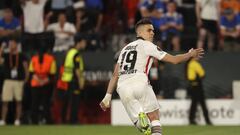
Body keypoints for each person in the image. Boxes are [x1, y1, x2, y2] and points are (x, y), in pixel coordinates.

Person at [100, 18, 204, 135]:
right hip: (140, 82)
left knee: (142, 127)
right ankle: (143, 120)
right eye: (149, 30)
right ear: (139, 33)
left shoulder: (124, 49)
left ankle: (141, 120)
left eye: (153, 30)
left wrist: (107, 96)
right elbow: (174, 60)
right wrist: (190, 54)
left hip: (123, 88)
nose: (152, 33)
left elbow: (115, 75)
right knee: (154, 116)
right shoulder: (148, 45)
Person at [0, 38, 29, 126]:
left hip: (18, 81)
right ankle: (3, 120)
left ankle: (17, 120)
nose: (11, 46)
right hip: (8, 80)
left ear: (16, 45)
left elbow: (26, 68)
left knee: (18, 101)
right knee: (5, 101)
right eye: (9, 44)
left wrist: (26, 78)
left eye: (12, 44)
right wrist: (1, 47)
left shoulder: (21, 55)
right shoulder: (6, 55)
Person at [61, 37, 86, 124]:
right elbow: (77, 70)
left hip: (66, 79)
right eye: (83, 42)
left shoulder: (70, 52)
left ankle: (64, 120)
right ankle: (73, 120)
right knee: (75, 102)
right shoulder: (76, 54)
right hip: (73, 80)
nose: (84, 44)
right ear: (79, 42)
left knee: (67, 101)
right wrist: (80, 82)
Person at [29, 49, 56, 124]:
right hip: (40, 83)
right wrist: (41, 81)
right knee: (40, 103)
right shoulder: (50, 59)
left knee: (42, 103)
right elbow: (32, 72)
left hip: (43, 83)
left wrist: (41, 81)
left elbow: (52, 74)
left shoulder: (34, 58)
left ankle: (41, 120)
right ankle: (39, 121)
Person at [185, 57, 212, 125]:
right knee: (202, 104)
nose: (198, 58)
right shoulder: (194, 63)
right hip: (197, 86)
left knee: (194, 103)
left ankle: (191, 120)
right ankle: (207, 120)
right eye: (197, 56)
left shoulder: (188, 64)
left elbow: (189, 77)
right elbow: (202, 74)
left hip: (192, 86)